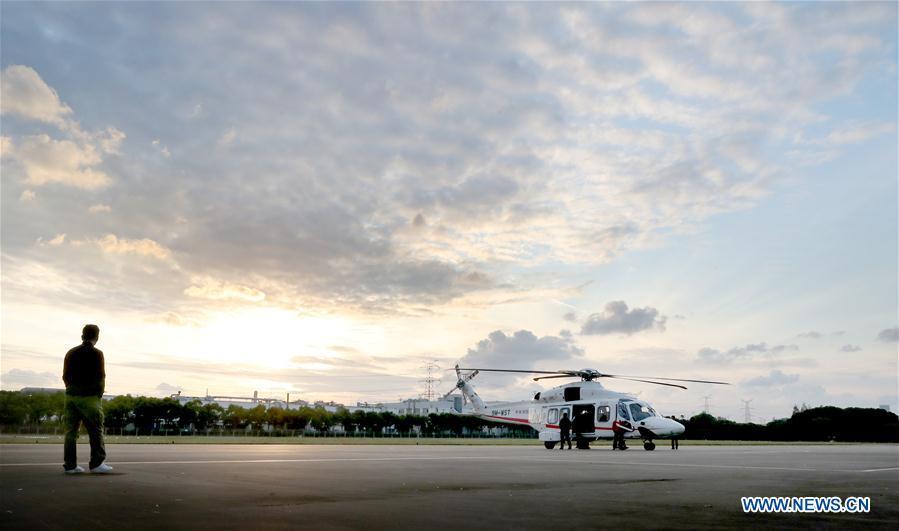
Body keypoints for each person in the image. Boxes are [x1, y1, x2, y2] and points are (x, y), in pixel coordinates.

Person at [62, 324, 112, 474]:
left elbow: (65, 376)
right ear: (97, 337)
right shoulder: (97, 354)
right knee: (96, 430)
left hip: (70, 396)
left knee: (70, 432)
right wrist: (98, 394)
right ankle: (97, 463)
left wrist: (71, 389)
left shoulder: (71, 352)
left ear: (82, 335)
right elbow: (100, 377)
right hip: (89, 397)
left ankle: (70, 465)